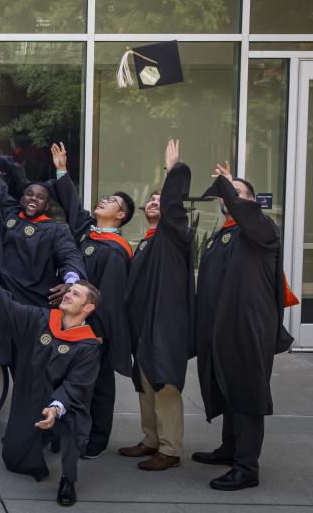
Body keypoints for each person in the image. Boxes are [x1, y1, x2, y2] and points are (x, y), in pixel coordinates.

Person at [0, 255, 101, 507]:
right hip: (30, 395)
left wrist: (55, 408)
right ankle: (43, 437)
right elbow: (6, 306)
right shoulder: (41, 319)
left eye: (76, 295)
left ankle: (68, 480)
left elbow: (76, 385)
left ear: (88, 308)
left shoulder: (88, 345)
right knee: (13, 459)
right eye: (70, 291)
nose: (68, 295)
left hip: (64, 402)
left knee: (73, 424)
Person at [192, 162, 293, 490]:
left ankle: (247, 467)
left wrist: (224, 183)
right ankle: (230, 448)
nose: (227, 197)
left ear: (251, 202)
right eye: (226, 192)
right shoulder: (222, 235)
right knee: (227, 386)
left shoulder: (262, 229)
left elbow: (249, 216)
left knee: (247, 393)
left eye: (236, 193)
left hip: (249, 328)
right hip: (221, 327)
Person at [50, 142, 135, 458]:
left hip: (94, 329)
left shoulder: (115, 251)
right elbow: (74, 208)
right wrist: (61, 170)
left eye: (111, 201)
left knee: (98, 386)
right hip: (72, 321)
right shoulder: (89, 234)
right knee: (69, 380)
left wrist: (97, 333)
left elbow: (110, 300)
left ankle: (97, 439)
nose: (103, 200)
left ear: (121, 215)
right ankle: (65, 431)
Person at [119, 139, 194, 471]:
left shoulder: (174, 235)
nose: (154, 202)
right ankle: (151, 439)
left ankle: (170, 448)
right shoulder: (145, 242)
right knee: (146, 380)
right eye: (150, 199)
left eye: (161, 199)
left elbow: (175, 208)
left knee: (164, 383)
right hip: (145, 324)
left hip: (166, 321)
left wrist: (172, 172)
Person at [0, 115, 86, 310]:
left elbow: (69, 257)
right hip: (0, 298)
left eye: (40, 197)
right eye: (29, 194)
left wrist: (71, 283)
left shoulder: (56, 230)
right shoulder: (9, 213)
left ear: (46, 206)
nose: (33, 199)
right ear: (21, 198)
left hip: (35, 304)